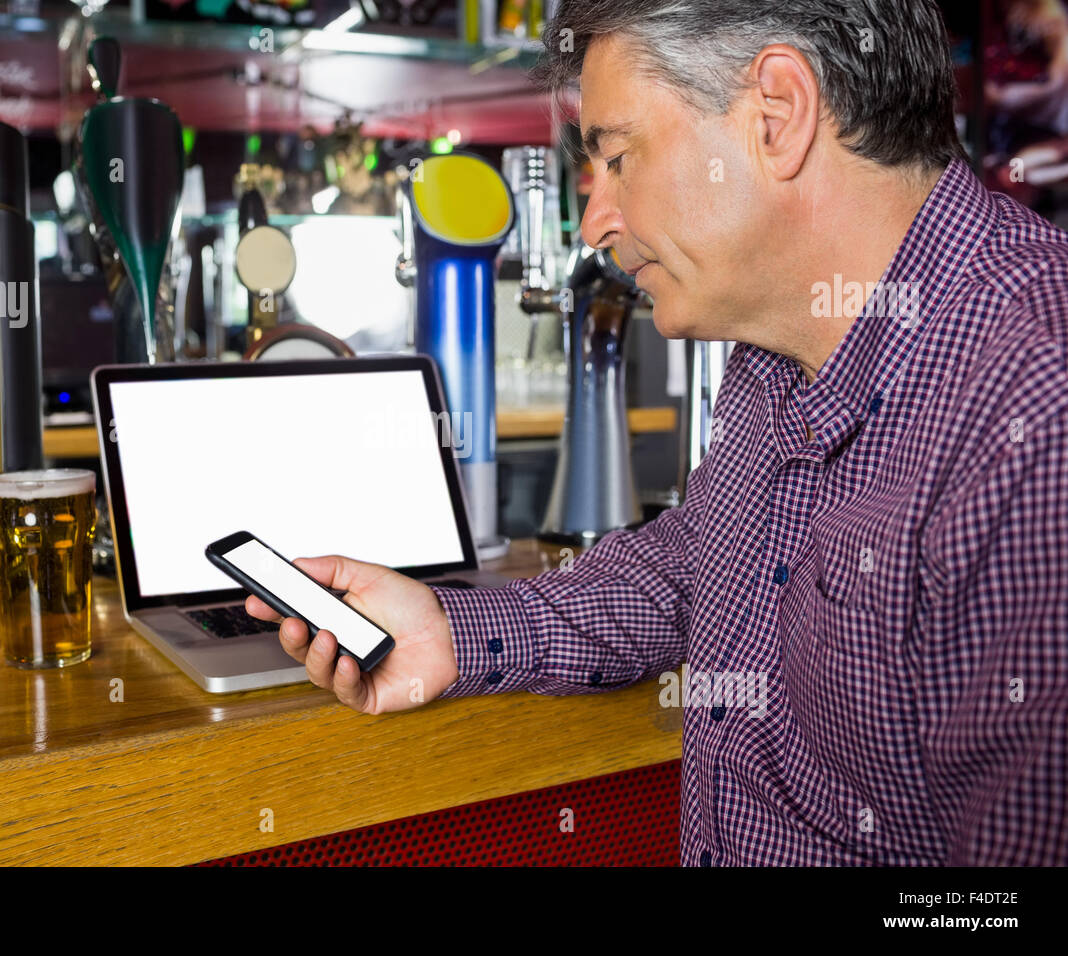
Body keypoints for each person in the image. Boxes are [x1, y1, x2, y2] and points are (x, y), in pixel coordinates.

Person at [246, 0, 1068, 866]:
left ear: (776, 115)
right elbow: (705, 557)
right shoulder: (776, 343)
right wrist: (458, 632)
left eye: (617, 156)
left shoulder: (1033, 413)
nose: (596, 220)